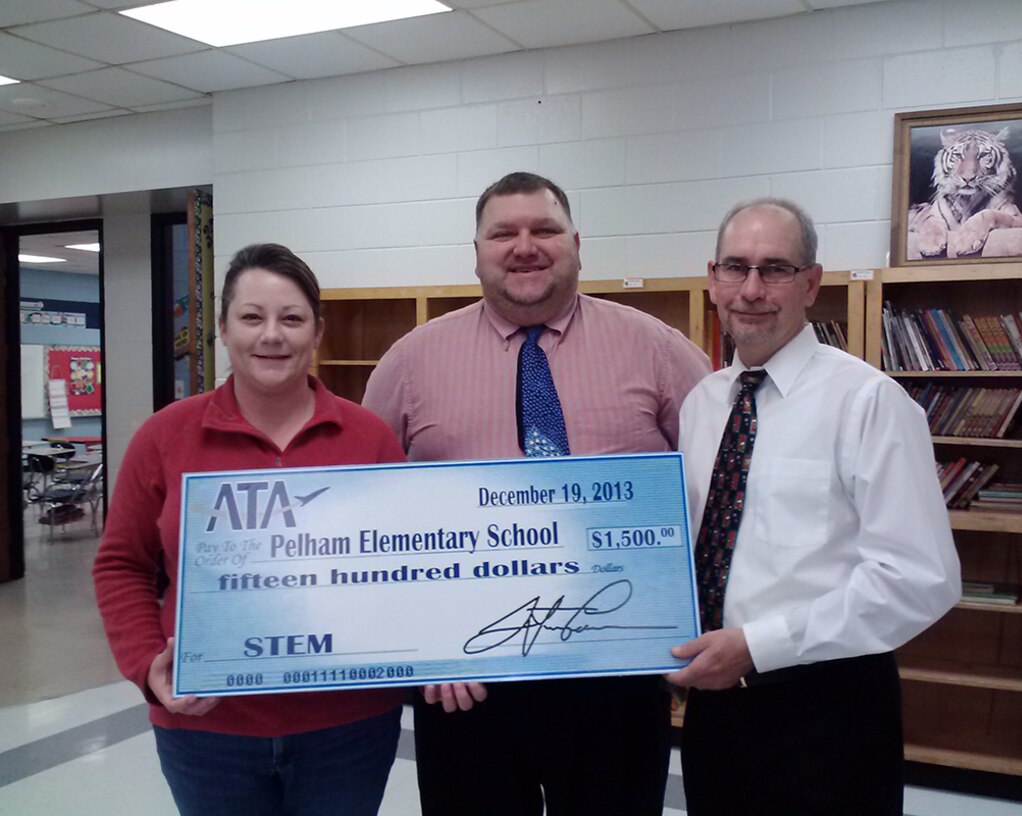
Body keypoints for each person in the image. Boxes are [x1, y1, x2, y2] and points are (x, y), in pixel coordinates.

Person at [363, 171, 711, 815]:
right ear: (476, 251)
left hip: (617, 671)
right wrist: (413, 649)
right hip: (466, 682)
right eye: (504, 233)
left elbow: (718, 490)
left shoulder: (658, 351)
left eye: (544, 230)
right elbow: (367, 517)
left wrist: (690, 619)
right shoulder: (408, 364)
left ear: (576, 243)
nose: (525, 246)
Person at [667, 198, 961, 815]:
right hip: (716, 710)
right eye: (735, 268)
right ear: (713, 279)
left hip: (830, 709)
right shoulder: (702, 404)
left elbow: (920, 580)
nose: (751, 289)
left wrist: (760, 646)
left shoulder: (868, 403)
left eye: (775, 268)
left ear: (811, 284)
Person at [93, 243, 406, 816]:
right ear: (222, 329)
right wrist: (145, 664)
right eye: (252, 317)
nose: (272, 335)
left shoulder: (371, 439)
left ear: (316, 332)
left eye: (291, 318)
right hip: (208, 727)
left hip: (349, 727)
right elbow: (121, 563)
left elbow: (405, 566)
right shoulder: (164, 437)